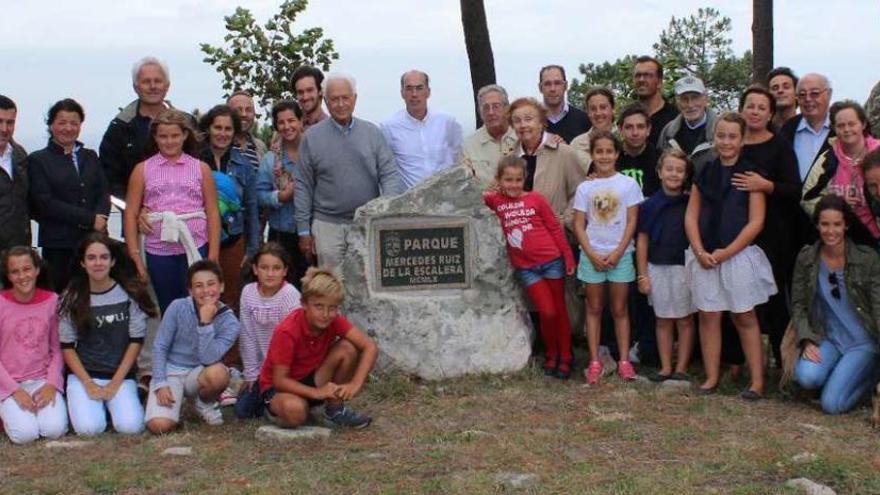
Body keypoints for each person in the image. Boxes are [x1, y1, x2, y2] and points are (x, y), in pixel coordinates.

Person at [684, 112, 777, 400]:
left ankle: (757, 382)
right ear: (715, 138)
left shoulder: (750, 173)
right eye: (721, 135)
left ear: (741, 139)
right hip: (706, 255)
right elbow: (691, 214)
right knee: (709, 315)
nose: (726, 141)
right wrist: (699, 250)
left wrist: (728, 251)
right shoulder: (705, 170)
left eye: (732, 136)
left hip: (736, 254)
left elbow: (756, 221)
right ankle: (711, 376)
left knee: (744, 315)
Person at [294, 73, 403, 268]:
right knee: (331, 288)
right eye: (334, 99)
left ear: (355, 99)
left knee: (368, 283)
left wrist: (387, 211)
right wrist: (303, 231)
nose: (341, 104)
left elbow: (389, 174)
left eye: (345, 97)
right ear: (325, 101)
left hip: (367, 222)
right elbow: (303, 185)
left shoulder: (372, 133)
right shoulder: (311, 138)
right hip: (327, 226)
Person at [484, 156, 576, 379]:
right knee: (547, 311)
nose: (514, 185)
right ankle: (551, 352)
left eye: (518, 180)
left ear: (525, 179)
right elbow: (475, 197)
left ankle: (564, 355)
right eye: (508, 180)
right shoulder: (496, 201)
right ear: (499, 180)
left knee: (559, 310)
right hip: (527, 267)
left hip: (552, 260)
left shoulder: (536, 199)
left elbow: (554, 227)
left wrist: (568, 256)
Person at [58, 233, 158, 435]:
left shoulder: (129, 293)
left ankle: (121, 402)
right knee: (89, 429)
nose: (98, 263)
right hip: (84, 375)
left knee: (130, 427)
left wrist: (115, 383)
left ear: (112, 261)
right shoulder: (71, 296)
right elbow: (67, 347)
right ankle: (89, 405)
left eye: (104, 257)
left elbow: (135, 341)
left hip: (120, 375)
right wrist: (88, 383)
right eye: (91, 258)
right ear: (83, 263)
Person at [123, 108, 221, 314]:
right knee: (169, 308)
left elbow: (212, 212)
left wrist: (213, 254)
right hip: (158, 250)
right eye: (163, 136)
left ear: (185, 135)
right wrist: (136, 258)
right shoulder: (142, 169)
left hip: (197, 245)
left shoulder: (201, 168)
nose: (169, 141)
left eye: (175, 135)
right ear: (155, 138)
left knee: (201, 305)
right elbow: (131, 213)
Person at [789, 195, 880, 414]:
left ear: (846, 225)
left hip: (863, 342)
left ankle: (871, 379)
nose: (831, 231)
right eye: (825, 224)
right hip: (828, 337)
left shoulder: (867, 259)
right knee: (807, 377)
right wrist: (806, 338)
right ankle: (844, 374)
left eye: (837, 224)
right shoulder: (807, 258)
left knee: (832, 405)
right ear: (818, 225)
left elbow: (878, 306)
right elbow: (798, 304)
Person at [259, 266, 378, 428]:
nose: (325, 314)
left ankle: (334, 409)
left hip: (312, 377)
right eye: (319, 306)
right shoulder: (287, 331)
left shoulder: (334, 320)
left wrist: (355, 384)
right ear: (304, 304)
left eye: (332, 308)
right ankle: (276, 410)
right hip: (281, 388)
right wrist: (317, 393)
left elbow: (369, 346)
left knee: (348, 348)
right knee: (296, 411)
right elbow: (280, 381)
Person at [734, 86, 802, 367]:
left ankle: (781, 360)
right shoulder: (732, 143)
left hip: (773, 235)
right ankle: (739, 361)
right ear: (742, 109)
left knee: (772, 299)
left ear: (770, 113)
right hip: (736, 233)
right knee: (739, 300)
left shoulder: (779, 146)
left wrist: (766, 186)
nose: (755, 112)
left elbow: (794, 189)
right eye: (751, 106)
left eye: (762, 107)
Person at [573, 131, 644, 385]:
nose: (604, 156)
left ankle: (624, 360)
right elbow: (579, 223)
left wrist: (617, 252)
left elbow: (632, 221)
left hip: (621, 256)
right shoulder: (585, 187)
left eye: (609, 151)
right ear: (592, 155)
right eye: (599, 152)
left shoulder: (628, 185)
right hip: (592, 256)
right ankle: (594, 361)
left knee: (619, 309)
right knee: (593, 308)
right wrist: (591, 253)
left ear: (617, 154)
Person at [145, 260, 240, 433]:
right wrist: (160, 382)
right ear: (190, 290)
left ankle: (203, 403)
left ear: (221, 287)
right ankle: (176, 406)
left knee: (219, 373)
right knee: (158, 426)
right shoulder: (177, 307)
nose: (206, 291)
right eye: (199, 286)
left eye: (211, 284)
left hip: (200, 371)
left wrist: (205, 323)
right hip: (172, 370)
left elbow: (208, 358)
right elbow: (160, 346)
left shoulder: (230, 322)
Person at [29, 98, 110, 291]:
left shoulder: (90, 156)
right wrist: (90, 219)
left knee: (95, 297)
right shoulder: (38, 160)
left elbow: (103, 191)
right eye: (62, 123)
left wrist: (102, 217)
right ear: (51, 125)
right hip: (59, 245)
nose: (68, 128)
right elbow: (44, 203)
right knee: (62, 301)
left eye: (74, 123)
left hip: (93, 242)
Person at [636, 149, 695, 382]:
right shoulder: (649, 205)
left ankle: (681, 367)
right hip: (656, 267)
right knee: (662, 318)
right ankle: (665, 366)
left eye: (680, 170)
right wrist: (642, 275)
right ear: (659, 172)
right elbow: (642, 240)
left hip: (683, 267)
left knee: (685, 318)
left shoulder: (690, 203)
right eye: (669, 169)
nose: (674, 174)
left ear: (686, 175)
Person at [0, 247, 67, 444]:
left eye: (27, 269)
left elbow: (57, 348)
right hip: (9, 381)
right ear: (8, 275)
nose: (22, 276)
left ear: (37, 270)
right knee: (25, 435)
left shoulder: (52, 301)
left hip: (41, 379)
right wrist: (15, 391)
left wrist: (52, 384)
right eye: (15, 271)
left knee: (54, 430)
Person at [198, 104, 260, 312]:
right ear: (208, 128)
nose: (222, 133)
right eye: (218, 128)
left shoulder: (244, 165)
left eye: (228, 129)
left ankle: (230, 345)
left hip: (233, 241)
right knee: (200, 298)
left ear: (234, 133)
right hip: (199, 240)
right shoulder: (192, 161)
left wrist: (251, 249)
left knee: (230, 301)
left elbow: (252, 208)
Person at [235, 242, 301, 419]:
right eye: (264, 267)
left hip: (286, 370)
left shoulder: (290, 295)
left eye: (276, 268)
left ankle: (276, 400)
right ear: (255, 269)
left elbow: (293, 342)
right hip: (261, 370)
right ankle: (264, 398)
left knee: (282, 405)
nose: (270, 273)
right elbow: (247, 335)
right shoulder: (248, 292)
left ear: (285, 271)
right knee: (243, 412)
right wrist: (251, 374)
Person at [100, 56, 179, 201]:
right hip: (136, 218)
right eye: (146, 81)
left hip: (183, 214)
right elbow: (109, 180)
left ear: (167, 86)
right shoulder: (119, 129)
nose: (153, 86)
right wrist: (133, 210)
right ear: (136, 87)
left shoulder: (186, 124)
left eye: (158, 81)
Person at [802, 100, 880, 245]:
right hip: (844, 241)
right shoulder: (828, 159)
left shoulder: (877, 151)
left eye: (852, 124)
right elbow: (807, 198)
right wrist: (835, 204)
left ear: (862, 124)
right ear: (834, 129)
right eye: (841, 125)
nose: (846, 129)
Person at [506, 97, 586, 230]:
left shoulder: (564, 153)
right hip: (520, 238)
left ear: (541, 122)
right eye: (517, 121)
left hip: (556, 237)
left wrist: (565, 222)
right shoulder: (509, 159)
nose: (523, 125)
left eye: (528, 119)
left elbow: (580, 191)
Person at [257, 100, 311, 288]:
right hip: (281, 235)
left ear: (301, 121)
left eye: (292, 120)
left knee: (312, 289)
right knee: (282, 289)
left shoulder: (314, 152)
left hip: (313, 233)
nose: (287, 126)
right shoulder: (270, 160)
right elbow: (260, 195)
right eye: (281, 122)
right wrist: (280, 197)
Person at [381, 70, 463, 190]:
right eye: (409, 89)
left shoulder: (447, 122)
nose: (414, 94)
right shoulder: (389, 127)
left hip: (446, 196)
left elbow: (458, 156)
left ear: (428, 92)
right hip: (410, 201)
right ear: (402, 93)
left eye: (419, 88)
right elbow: (387, 168)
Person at [459, 84, 518, 184]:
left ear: (507, 109)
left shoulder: (522, 136)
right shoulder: (469, 146)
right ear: (480, 112)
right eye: (486, 107)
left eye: (496, 106)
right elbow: (466, 184)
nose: (491, 112)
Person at [780, 73, 835, 181]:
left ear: (828, 94)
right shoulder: (788, 129)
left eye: (814, 93)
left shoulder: (840, 127)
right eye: (802, 95)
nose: (808, 99)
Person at [657, 76, 718, 161]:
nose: (690, 105)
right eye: (684, 99)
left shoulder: (720, 130)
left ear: (705, 98)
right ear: (677, 101)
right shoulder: (668, 132)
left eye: (695, 97)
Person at [0, 95, 31, 253]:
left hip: (18, 252)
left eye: (10, 122)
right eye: (0, 121)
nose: (4, 129)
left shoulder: (20, 155)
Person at [632, 56, 679, 148]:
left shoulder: (675, 118)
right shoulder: (628, 116)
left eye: (647, 75)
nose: (641, 80)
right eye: (638, 75)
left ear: (660, 82)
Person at [616, 103, 661, 197]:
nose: (635, 133)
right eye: (629, 127)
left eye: (640, 127)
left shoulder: (661, 160)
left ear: (648, 129)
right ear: (620, 130)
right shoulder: (609, 159)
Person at [538, 65, 590, 143]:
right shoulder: (530, 122)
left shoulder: (584, 120)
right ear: (540, 88)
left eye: (557, 83)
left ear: (565, 86)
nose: (553, 89)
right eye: (547, 84)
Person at [570, 86, 618, 171]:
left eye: (603, 107)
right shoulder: (577, 144)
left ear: (613, 109)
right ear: (588, 112)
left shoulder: (624, 139)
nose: (598, 113)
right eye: (593, 109)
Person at [227, 91, 267, 171]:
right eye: (238, 110)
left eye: (248, 110)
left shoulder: (261, 147)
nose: (244, 114)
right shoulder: (218, 145)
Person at [767, 67, 799, 131]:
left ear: (796, 93)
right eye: (775, 88)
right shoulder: (761, 130)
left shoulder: (809, 128)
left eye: (786, 87)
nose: (780, 91)